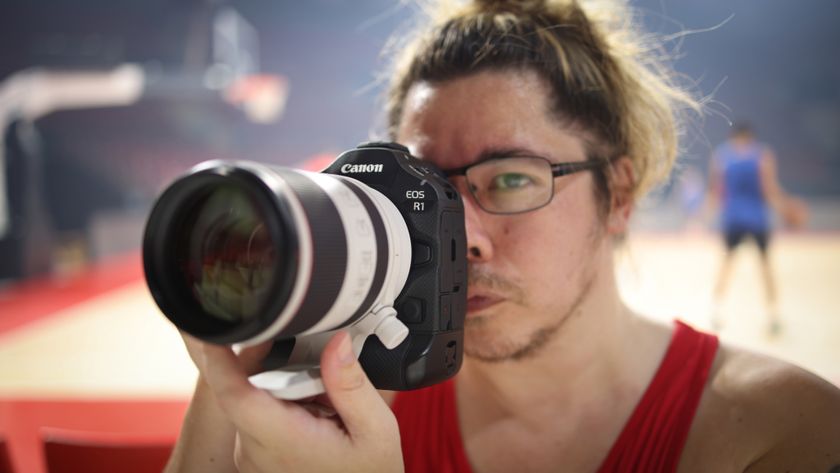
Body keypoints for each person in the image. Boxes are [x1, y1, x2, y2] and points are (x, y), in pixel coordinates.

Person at [163, 1, 840, 472]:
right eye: (425, 191)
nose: (465, 239)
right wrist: (232, 381)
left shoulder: (777, 430)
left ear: (621, 193)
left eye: (511, 180)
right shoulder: (345, 400)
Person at [707, 123, 807, 335]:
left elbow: (717, 191)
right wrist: (786, 208)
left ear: (733, 137)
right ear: (751, 137)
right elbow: (769, 189)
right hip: (756, 219)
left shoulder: (722, 156)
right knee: (765, 267)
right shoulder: (762, 155)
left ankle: (716, 311)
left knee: (727, 263)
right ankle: (773, 316)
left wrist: (700, 217)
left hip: (733, 218)